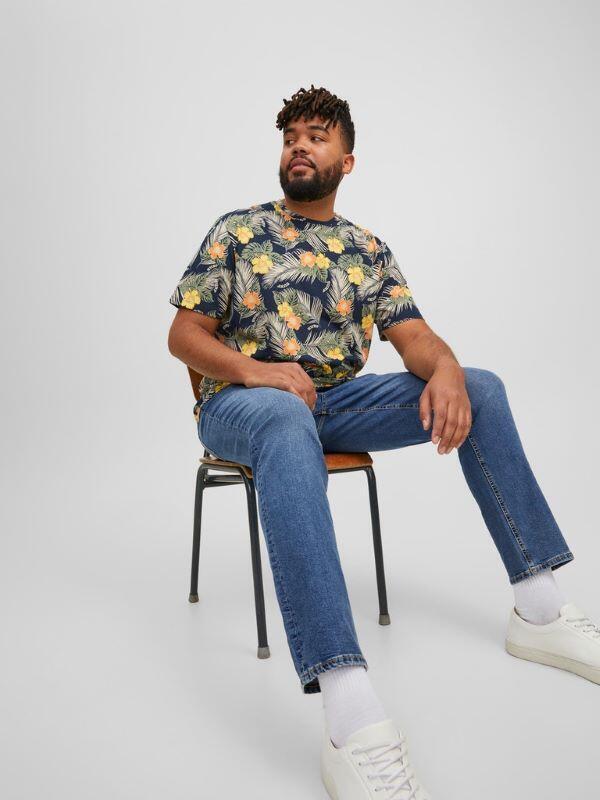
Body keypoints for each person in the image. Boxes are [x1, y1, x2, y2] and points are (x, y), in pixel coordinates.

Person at [167, 84, 599, 800]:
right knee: (285, 420)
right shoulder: (238, 230)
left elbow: (414, 336)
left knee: (482, 388)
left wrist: (447, 368)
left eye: (316, 137)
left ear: (347, 161)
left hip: (335, 403)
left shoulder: (367, 249)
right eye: (291, 138)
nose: (300, 147)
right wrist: (257, 372)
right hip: (242, 404)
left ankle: (541, 607)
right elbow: (183, 334)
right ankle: (349, 709)